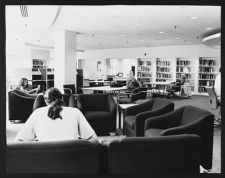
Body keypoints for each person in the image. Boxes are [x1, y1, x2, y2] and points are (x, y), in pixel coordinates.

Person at [15, 87, 98, 142]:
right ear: (62, 98)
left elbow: (19, 141)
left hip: (44, 163)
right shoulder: (75, 112)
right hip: (73, 162)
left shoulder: (37, 113)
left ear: (46, 101)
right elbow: (94, 140)